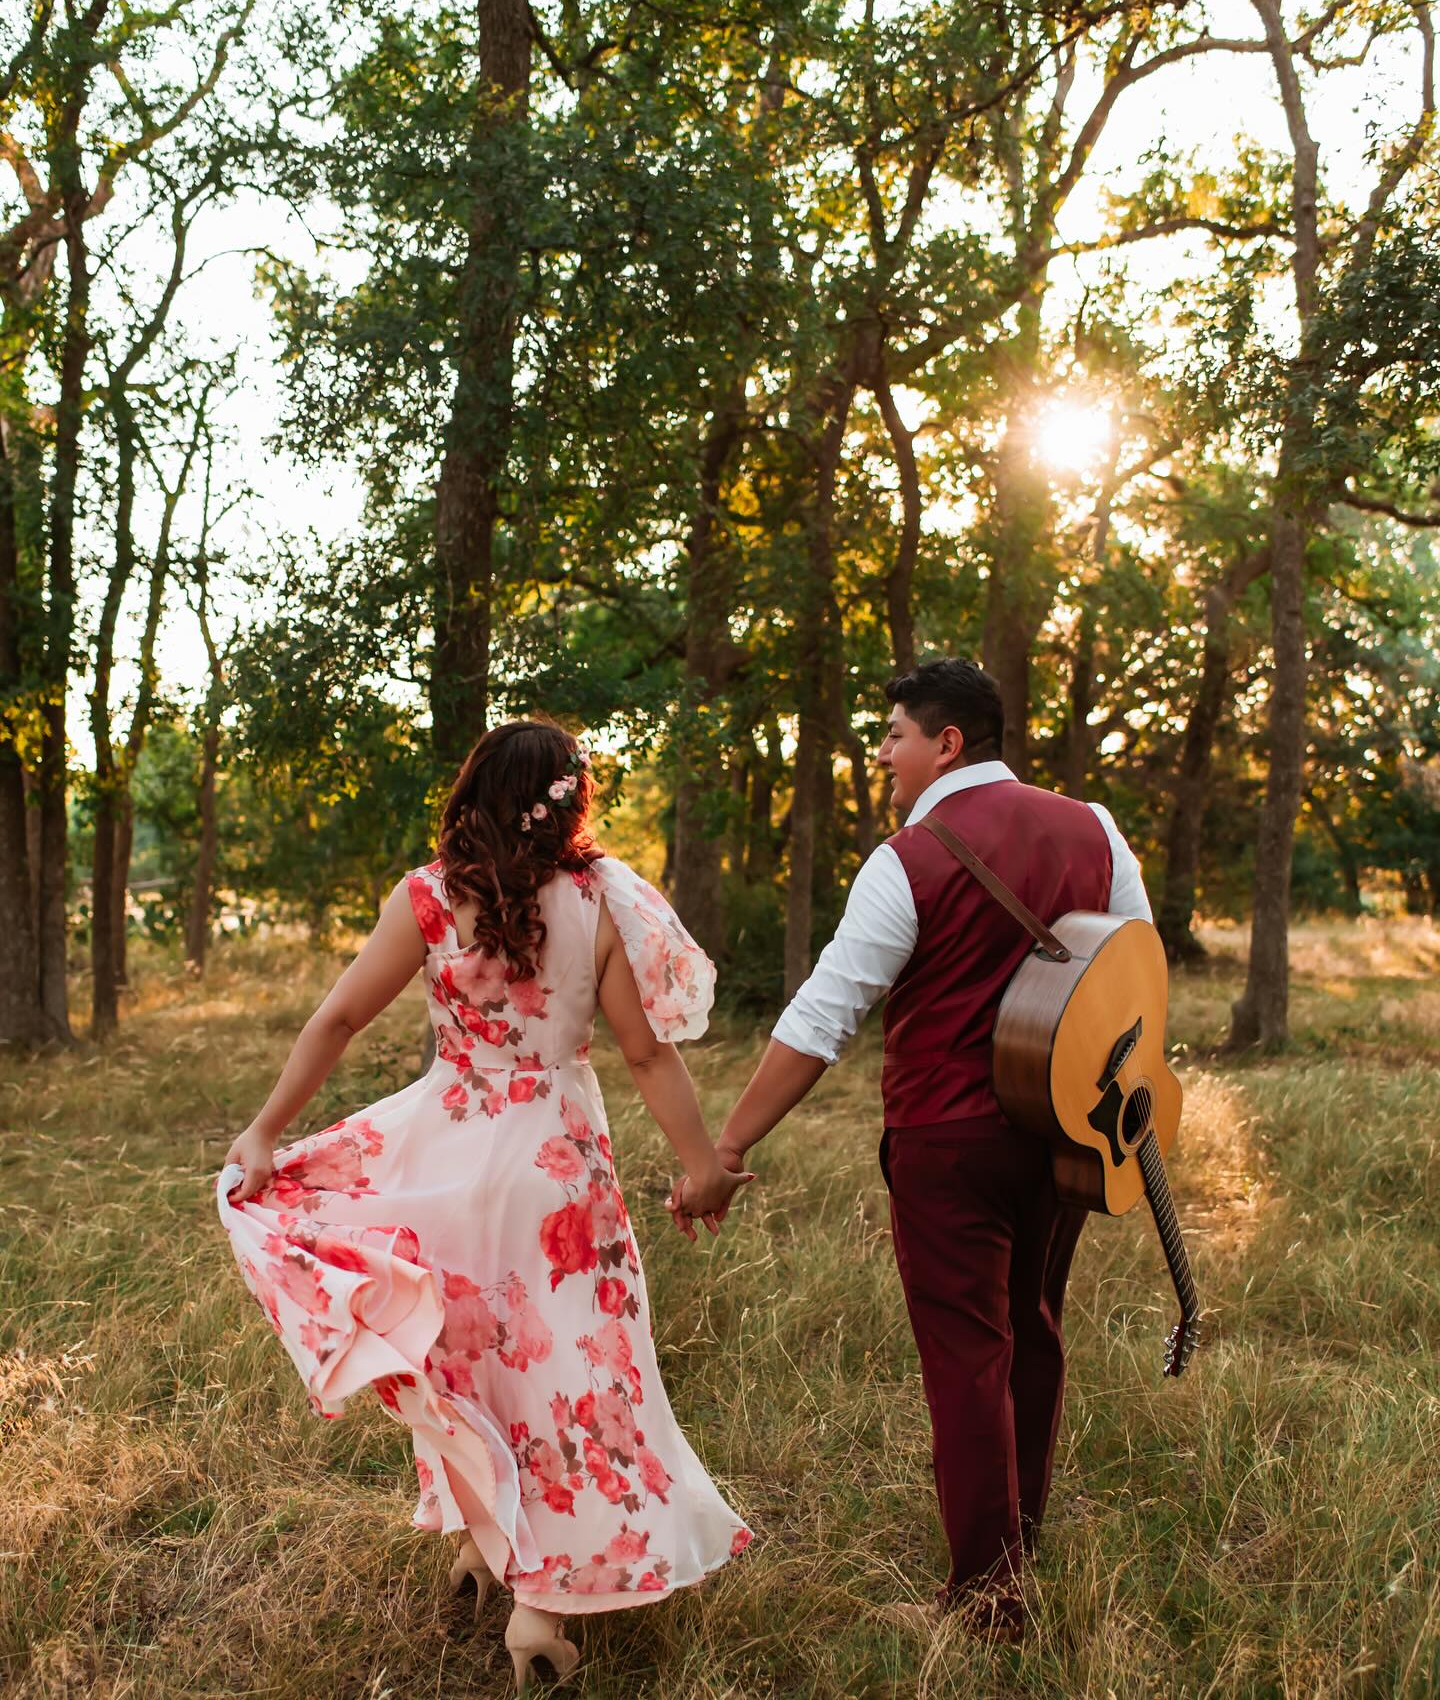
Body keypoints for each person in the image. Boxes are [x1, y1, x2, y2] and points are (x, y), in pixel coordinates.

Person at [218, 720, 753, 1692]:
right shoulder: (597, 898)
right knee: (567, 1377)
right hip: (558, 1163)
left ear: (473, 791)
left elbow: (338, 1017)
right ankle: (535, 1603)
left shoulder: (428, 898)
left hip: (452, 1151)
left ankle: (481, 1547)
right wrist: (699, 1165)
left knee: (469, 1360)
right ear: (568, 801)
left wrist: (264, 1132)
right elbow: (643, 1052)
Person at [666, 658, 1152, 1639]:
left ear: (948, 744)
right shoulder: (1095, 828)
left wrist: (728, 1144)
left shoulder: (911, 855)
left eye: (894, 736)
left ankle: (985, 1597)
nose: (884, 754)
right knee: (1036, 1328)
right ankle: (1020, 1541)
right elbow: (1135, 968)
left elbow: (823, 1017)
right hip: (1066, 1130)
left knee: (970, 1353)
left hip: (948, 1140)